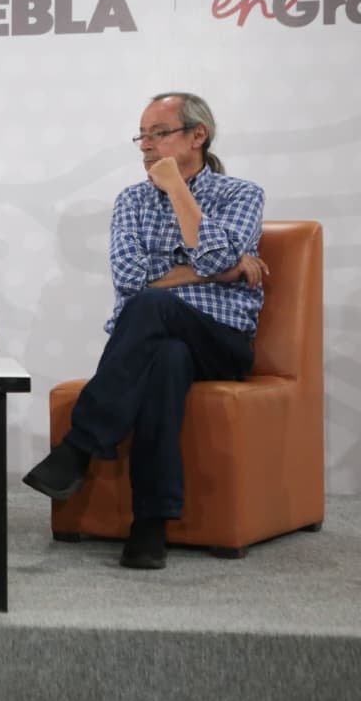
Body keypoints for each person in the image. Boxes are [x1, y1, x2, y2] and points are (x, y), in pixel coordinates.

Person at [23, 92, 267, 569]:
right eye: (142, 136)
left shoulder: (240, 194)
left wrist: (177, 190)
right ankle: (149, 527)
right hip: (162, 340)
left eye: (159, 133)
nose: (147, 145)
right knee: (165, 358)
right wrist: (215, 271)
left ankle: (79, 446)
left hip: (221, 340)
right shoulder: (132, 201)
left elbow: (213, 257)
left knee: (154, 306)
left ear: (197, 136)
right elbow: (131, 281)